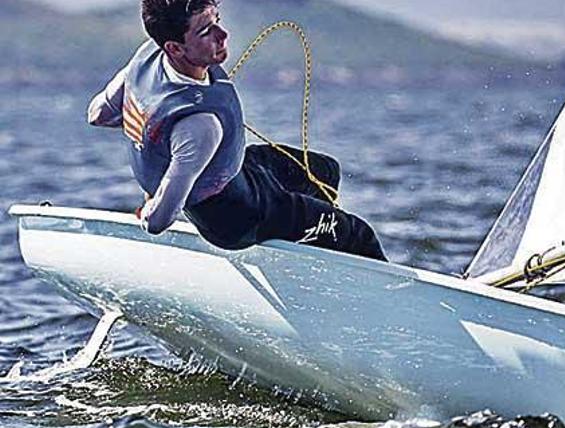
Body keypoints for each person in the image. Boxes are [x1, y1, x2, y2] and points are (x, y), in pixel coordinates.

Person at [88, 0, 386, 261]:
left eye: (216, 21)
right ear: (175, 47)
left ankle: (313, 247)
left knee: (325, 172)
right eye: (206, 31)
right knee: (359, 234)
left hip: (241, 173)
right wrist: (151, 204)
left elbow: (98, 114)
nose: (223, 34)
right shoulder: (200, 125)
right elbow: (158, 221)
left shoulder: (145, 60)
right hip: (240, 217)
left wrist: (155, 136)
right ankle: (383, 294)